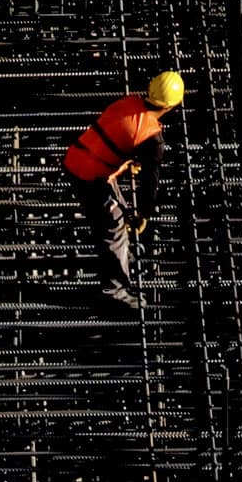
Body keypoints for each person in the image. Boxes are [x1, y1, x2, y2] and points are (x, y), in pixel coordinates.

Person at [62, 70, 185, 308]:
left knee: (118, 209)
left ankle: (118, 260)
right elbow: (151, 182)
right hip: (90, 177)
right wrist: (145, 214)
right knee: (114, 225)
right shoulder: (153, 139)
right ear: (172, 106)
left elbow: (117, 133)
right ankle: (115, 290)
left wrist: (129, 161)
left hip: (76, 158)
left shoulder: (129, 102)